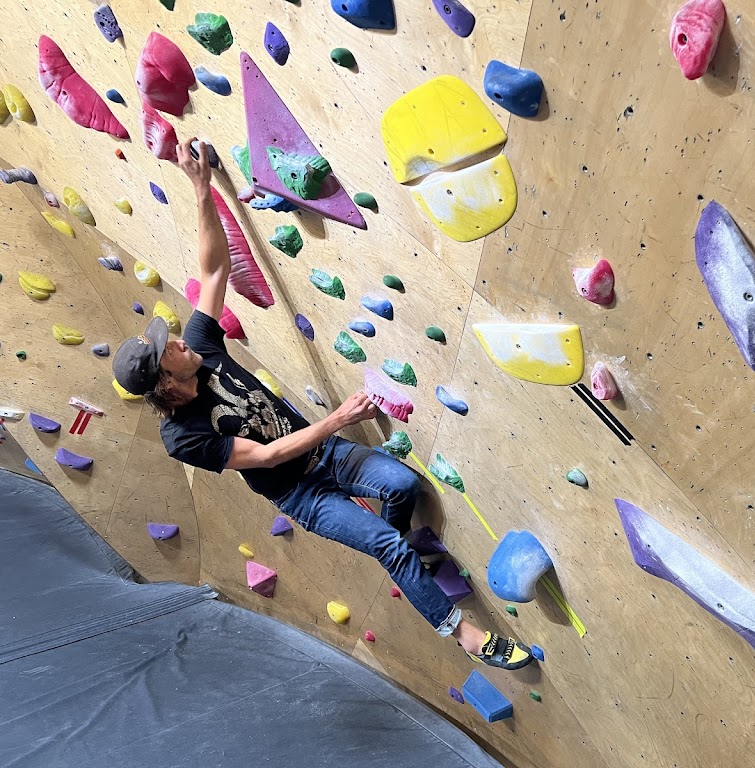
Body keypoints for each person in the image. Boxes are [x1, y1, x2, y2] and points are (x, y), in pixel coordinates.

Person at [112, 139, 534, 672]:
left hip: (328, 455)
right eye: (166, 349)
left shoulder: (200, 347)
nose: (175, 338)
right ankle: (464, 634)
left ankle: (400, 552)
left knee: (402, 489)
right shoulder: (183, 436)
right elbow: (266, 457)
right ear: (166, 382)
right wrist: (338, 419)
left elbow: (214, 271)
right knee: (384, 543)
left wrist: (201, 188)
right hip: (301, 493)